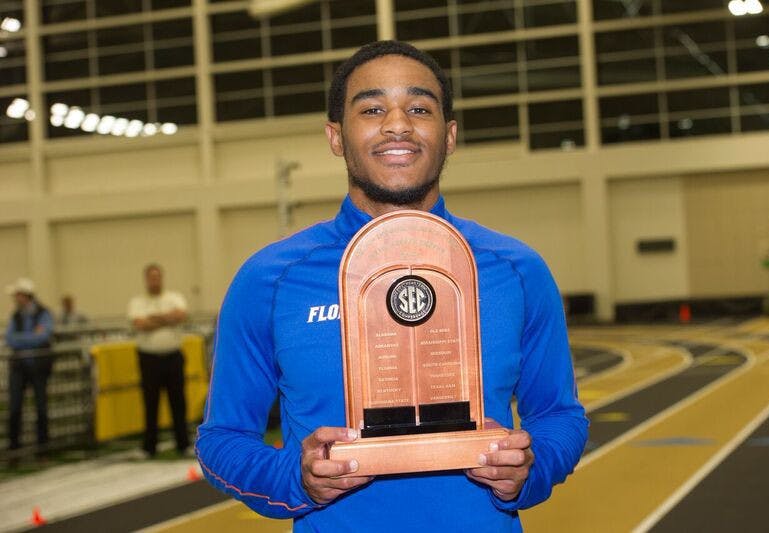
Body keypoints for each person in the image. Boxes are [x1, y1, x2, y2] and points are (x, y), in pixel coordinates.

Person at [196, 41, 588, 531]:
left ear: (449, 136)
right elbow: (221, 439)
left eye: (419, 108)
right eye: (373, 108)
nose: (397, 124)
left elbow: (559, 414)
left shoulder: (517, 270)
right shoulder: (269, 279)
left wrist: (531, 468)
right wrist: (293, 478)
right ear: (336, 136)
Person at [127, 263, 190, 457]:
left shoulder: (174, 297)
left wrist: (154, 318)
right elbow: (140, 324)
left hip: (173, 357)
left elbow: (181, 316)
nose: (154, 281)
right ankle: (149, 447)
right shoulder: (137, 302)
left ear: (162, 278)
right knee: (150, 403)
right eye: (151, 277)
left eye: (157, 277)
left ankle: (183, 444)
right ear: (146, 279)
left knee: (178, 402)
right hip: (149, 359)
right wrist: (166, 318)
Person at [4, 277, 55, 455]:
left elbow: (43, 336)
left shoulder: (43, 313)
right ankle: (14, 449)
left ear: (26, 296)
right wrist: (30, 338)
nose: (16, 299)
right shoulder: (16, 316)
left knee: (41, 406)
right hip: (19, 367)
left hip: (38, 367)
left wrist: (22, 340)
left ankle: (43, 448)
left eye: (18, 295)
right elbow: (10, 338)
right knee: (15, 407)